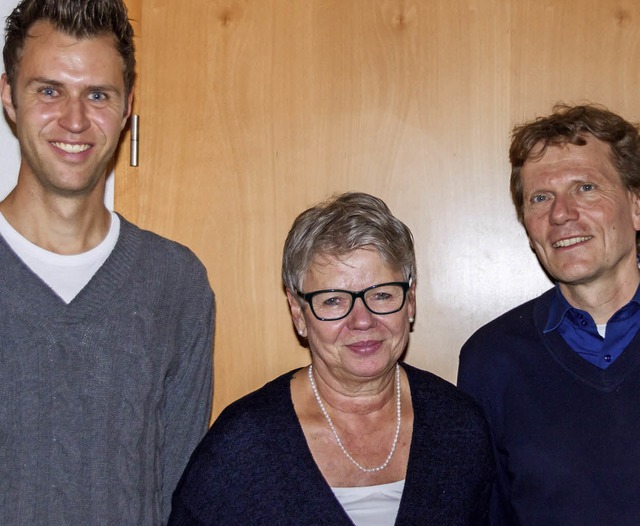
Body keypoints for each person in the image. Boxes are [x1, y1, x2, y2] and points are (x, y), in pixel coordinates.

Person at [0, 1, 215, 524]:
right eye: (49, 90)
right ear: (8, 96)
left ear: (126, 109)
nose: (74, 119)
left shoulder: (177, 285)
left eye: (97, 95)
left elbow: (178, 494)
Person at [169, 192, 494, 525]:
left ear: (410, 301)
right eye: (334, 301)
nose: (363, 320)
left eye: (382, 295)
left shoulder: (459, 426)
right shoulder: (242, 445)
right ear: (298, 312)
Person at [457, 104, 640, 526]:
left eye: (586, 188)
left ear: (635, 205)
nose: (561, 214)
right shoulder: (492, 360)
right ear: (527, 225)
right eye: (541, 197)